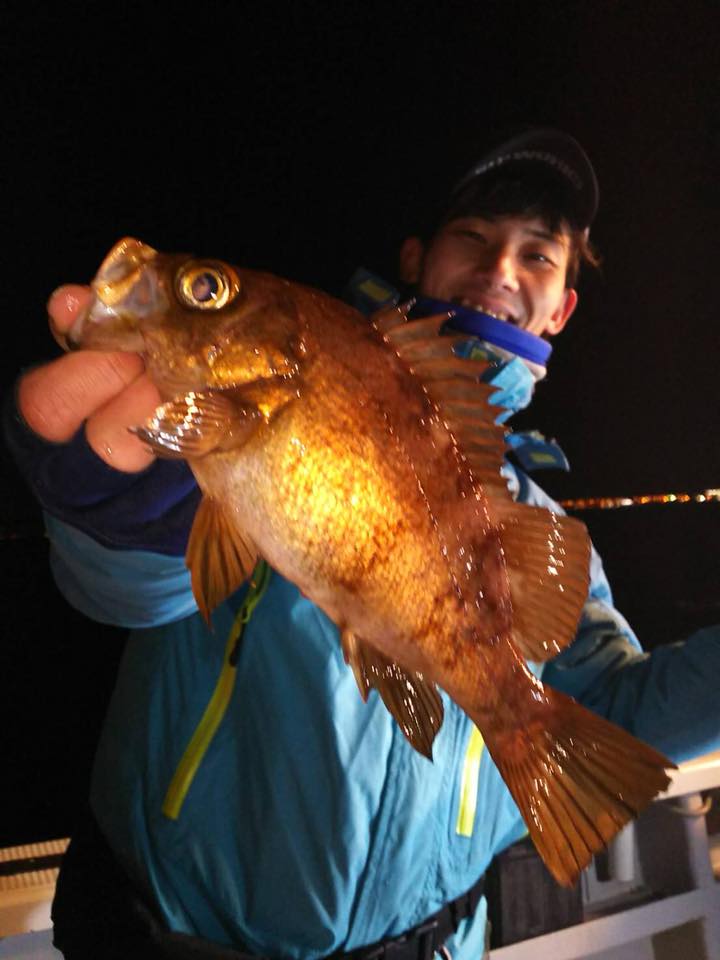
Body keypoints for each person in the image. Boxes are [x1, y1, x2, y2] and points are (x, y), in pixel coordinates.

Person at [6, 127, 720, 960]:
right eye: (475, 238)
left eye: (537, 256)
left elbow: (615, 713)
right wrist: (113, 518)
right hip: (174, 938)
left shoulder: (538, 528)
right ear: (417, 258)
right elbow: (135, 589)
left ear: (560, 307)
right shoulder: (252, 420)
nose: (500, 271)